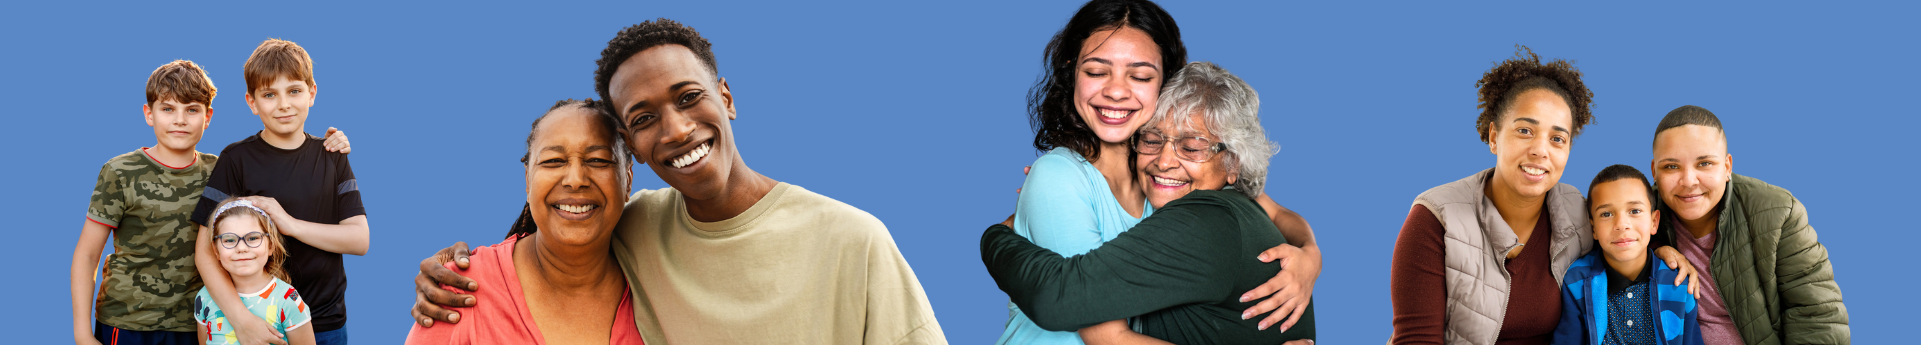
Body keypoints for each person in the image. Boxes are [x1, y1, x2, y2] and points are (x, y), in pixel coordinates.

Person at [411, 19, 943, 344]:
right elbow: (563, 224)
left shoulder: (853, 240)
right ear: (634, 149)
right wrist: (459, 264)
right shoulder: (639, 226)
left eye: (689, 98)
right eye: (644, 118)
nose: (677, 130)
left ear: (726, 98)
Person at [1003, 1, 1320, 344]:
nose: (1116, 91)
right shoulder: (1063, 176)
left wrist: (1310, 254)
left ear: (1165, 83)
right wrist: (996, 238)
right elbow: (1103, 335)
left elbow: (1274, 211)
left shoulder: (1169, 185)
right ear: (1072, 74)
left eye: (1140, 76)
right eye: (1096, 71)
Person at [1388, 46, 1697, 345]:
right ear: (1494, 136)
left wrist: (1662, 251)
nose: (1540, 150)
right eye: (1525, 131)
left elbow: (1619, 235)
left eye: (1557, 138)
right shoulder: (1436, 219)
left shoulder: (1575, 211)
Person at [72, 60, 351, 345]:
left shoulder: (220, 170)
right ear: (148, 114)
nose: (180, 120)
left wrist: (326, 146)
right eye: (167, 109)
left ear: (208, 117)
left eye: (192, 110)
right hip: (127, 322)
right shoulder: (120, 172)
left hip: (199, 320)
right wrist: (82, 334)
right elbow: (87, 255)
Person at [404, 100, 643, 345]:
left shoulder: (653, 286)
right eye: (553, 161)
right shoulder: (459, 291)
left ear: (628, 179)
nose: (575, 180)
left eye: (598, 160)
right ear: (528, 181)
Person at [193, 38, 369, 345]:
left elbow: (359, 239)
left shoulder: (332, 155)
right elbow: (205, 252)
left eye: (294, 91)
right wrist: (242, 320)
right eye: (269, 94)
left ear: (312, 93)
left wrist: (289, 224)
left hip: (326, 321)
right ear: (252, 102)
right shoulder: (237, 159)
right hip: (258, 321)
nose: (284, 104)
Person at [1646, 105, 1847, 344]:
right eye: (1671, 166)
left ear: (1727, 167)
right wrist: (1655, 248)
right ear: (1654, 171)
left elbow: (1817, 317)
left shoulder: (1778, 212)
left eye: (1705, 163)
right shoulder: (1638, 215)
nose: (1688, 181)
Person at [1550, 165, 1701, 345]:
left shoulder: (1678, 282)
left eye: (1635, 211)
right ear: (1593, 228)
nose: (1621, 224)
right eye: (1606, 214)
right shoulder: (1576, 281)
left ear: (1654, 222)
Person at [192, 198, 315, 345]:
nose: (241, 248)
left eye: (253, 238)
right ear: (216, 250)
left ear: (271, 245)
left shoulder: (288, 300)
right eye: (229, 240)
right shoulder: (204, 298)